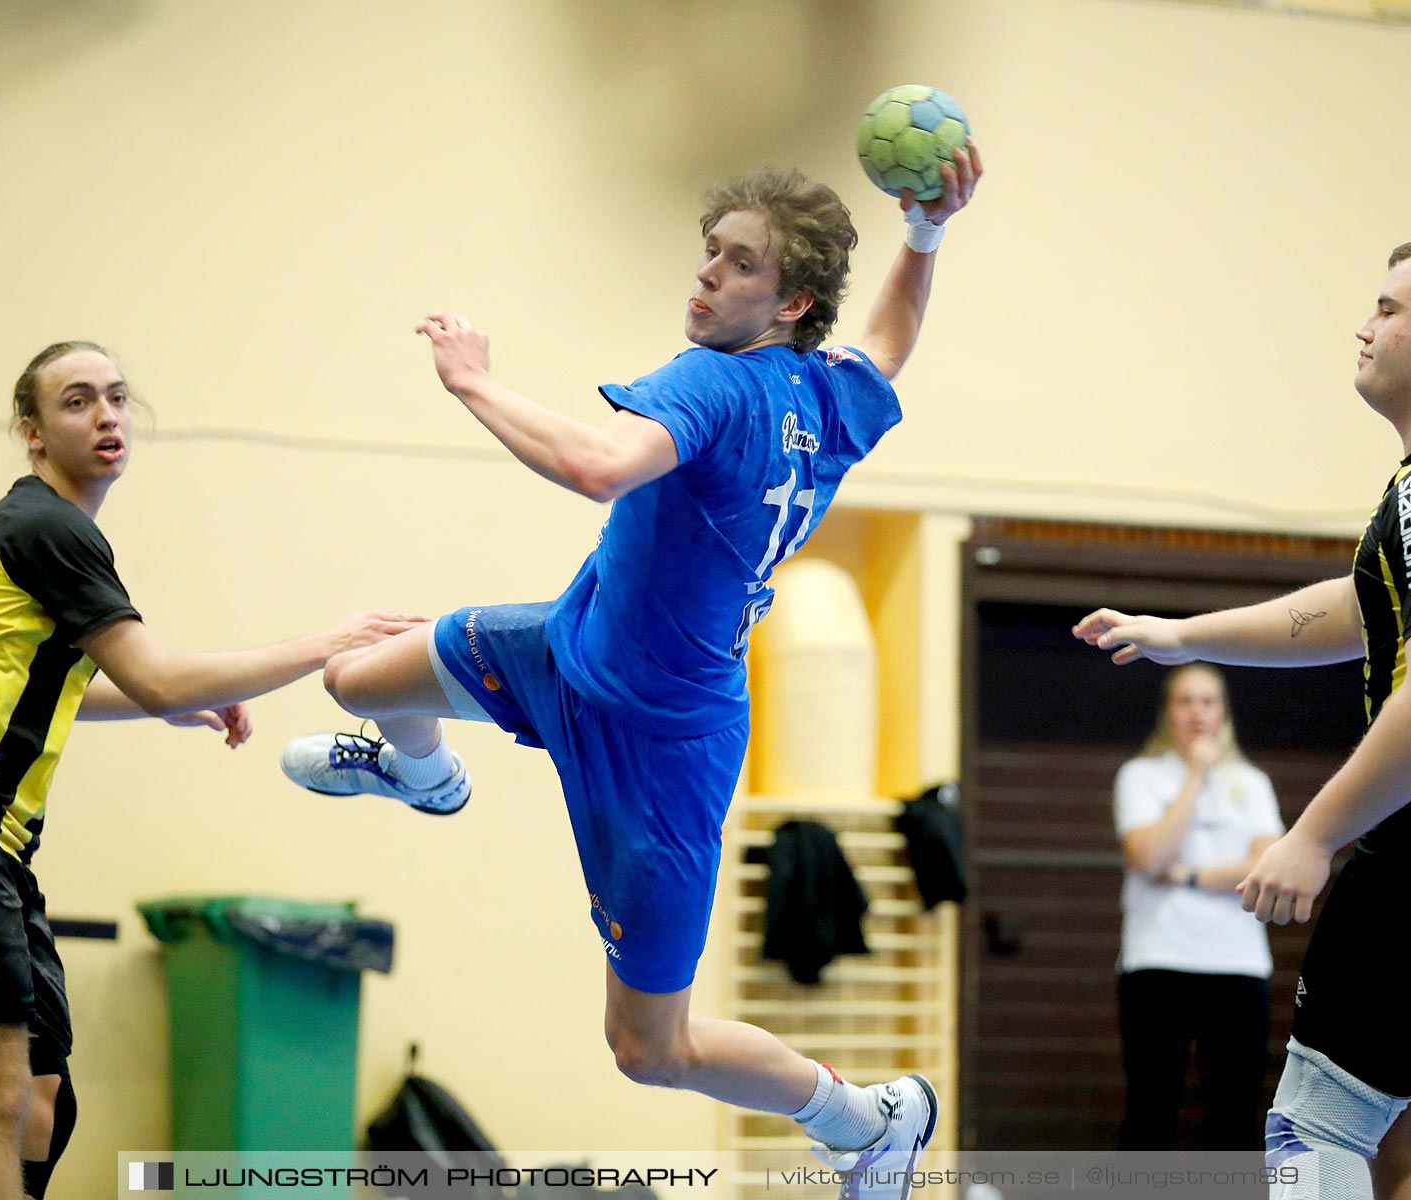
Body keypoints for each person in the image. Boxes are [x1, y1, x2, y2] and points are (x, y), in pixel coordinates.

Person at [278, 148, 981, 1200]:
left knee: (650, 1049)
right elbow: (890, 340)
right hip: (571, 644)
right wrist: (924, 236)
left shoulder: (715, 383)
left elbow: (598, 468)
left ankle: (868, 1118)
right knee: (357, 679)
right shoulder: (830, 396)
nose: (705, 275)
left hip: (660, 746)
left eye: (738, 264)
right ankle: (425, 776)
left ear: (789, 301)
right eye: (708, 251)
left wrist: (473, 381)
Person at [1073, 234, 1411, 1200]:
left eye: (1388, 308)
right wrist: (1184, 632)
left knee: (1310, 1131)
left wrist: (1314, 836)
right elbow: (1362, 609)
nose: (1364, 326)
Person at [0, 341, 421, 1200]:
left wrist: (169, 705)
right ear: (32, 432)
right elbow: (151, 671)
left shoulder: (48, 531)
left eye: (117, 397)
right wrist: (326, 645)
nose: (108, 415)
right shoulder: (49, 525)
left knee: (43, 1100)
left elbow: (41, 691)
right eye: (77, 401)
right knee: (0, 1095)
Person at [1113, 663, 1284, 1150]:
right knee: (1150, 1112)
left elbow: (1266, 865)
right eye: (1186, 701)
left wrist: (1187, 875)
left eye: (1208, 702)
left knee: (1234, 1117)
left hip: (1236, 965)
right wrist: (1195, 777)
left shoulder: (1251, 782)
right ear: (1169, 712)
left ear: (1223, 712)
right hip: (1157, 962)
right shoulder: (1140, 776)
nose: (1197, 713)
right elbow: (1148, 855)